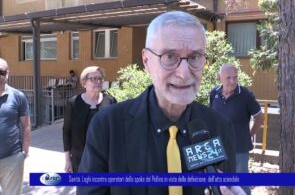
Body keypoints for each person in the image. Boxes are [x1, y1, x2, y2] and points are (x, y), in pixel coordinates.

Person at [77, 11, 245, 195]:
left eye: (195, 57)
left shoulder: (218, 127)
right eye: (169, 57)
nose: (184, 73)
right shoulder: (107, 127)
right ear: (146, 60)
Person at [209, 64, 263, 195]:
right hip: (218, 147)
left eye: (235, 77)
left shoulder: (246, 94)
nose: (232, 81)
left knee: (241, 183)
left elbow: (259, 118)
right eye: (228, 78)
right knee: (220, 183)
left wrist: (248, 134)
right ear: (219, 77)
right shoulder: (214, 93)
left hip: (239, 147)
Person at [63, 66, 117, 173]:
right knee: (83, 188)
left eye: (100, 78)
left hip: (105, 160)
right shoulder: (73, 103)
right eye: (93, 79)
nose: (97, 81)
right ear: (84, 83)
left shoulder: (110, 101)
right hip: (80, 159)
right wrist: (68, 160)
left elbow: (116, 131)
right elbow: (66, 132)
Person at [0, 58, 31, 195]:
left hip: (12, 159)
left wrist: (23, 152)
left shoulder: (18, 96)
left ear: (7, 74)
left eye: (1, 71)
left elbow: (26, 126)